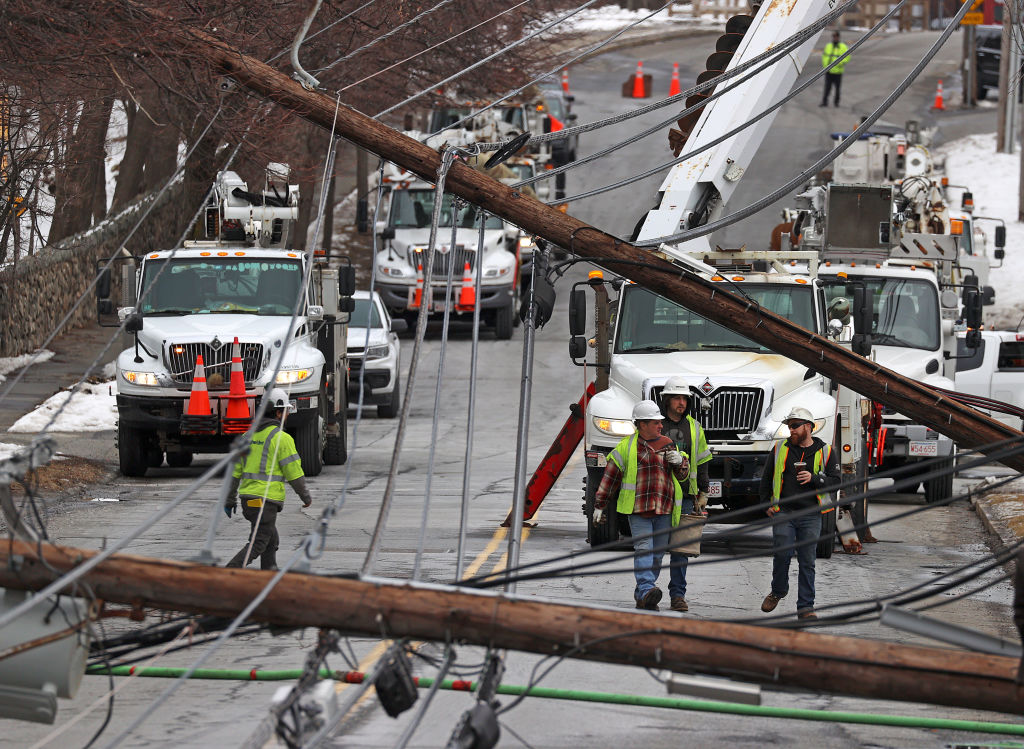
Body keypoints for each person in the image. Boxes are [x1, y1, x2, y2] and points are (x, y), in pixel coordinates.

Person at [593, 400, 689, 611]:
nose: (661, 426)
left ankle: (643, 596)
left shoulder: (667, 444)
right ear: (642, 424)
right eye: (656, 422)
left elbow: (682, 477)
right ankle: (647, 589)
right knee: (644, 549)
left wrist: (680, 461)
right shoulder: (626, 447)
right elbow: (610, 478)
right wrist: (599, 505)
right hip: (638, 510)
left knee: (657, 553)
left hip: (664, 509)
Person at [759, 407, 839, 619]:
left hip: (811, 514)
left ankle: (805, 607)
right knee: (782, 553)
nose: (791, 430)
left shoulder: (826, 451)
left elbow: (836, 482)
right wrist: (765, 503)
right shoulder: (779, 448)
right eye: (789, 426)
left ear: (808, 427)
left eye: (795, 426)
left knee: (807, 560)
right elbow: (766, 479)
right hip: (784, 512)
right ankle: (778, 591)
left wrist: (814, 478)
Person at [224, 388, 312, 570]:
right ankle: (230, 570)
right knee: (259, 542)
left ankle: (269, 571)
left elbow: (234, 473)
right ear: (278, 412)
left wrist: (229, 499)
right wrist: (306, 497)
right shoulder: (282, 438)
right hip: (265, 502)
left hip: (249, 502)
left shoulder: (246, 437)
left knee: (270, 539)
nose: (287, 415)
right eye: (286, 411)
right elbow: (294, 473)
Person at [659, 376, 712, 612]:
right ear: (667, 400)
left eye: (684, 399)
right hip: (658, 495)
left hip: (685, 497)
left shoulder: (694, 427)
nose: (681, 402)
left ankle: (677, 596)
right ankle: (646, 589)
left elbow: (702, 461)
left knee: (681, 551)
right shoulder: (654, 424)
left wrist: (703, 492)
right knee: (654, 547)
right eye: (677, 398)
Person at [820, 30, 849, 107]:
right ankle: (824, 102)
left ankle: (836, 103)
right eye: (834, 36)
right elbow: (824, 56)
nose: (835, 38)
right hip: (829, 71)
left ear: (838, 37)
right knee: (827, 88)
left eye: (836, 36)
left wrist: (840, 63)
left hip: (837, 72)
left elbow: (847, 57)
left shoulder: (843, 46)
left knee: (837, 89)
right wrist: (825, 66)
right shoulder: (828, 46)